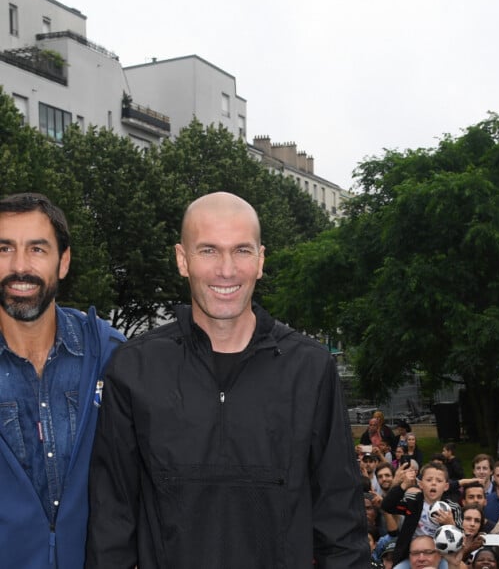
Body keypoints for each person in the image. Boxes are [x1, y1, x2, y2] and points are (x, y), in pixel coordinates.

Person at [85, 192, 369, 568]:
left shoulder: (310, 369)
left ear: (261, 260)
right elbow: (111, 523)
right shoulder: (133, 368)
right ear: (182, 260)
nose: (226, 269)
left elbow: (341, 522)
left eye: (241, 250)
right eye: (208, 251)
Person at [0, 193, 125, 569]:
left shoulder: (110, 357)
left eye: (37, 249)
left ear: (63, 262)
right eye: (4, 249)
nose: (20, 266)